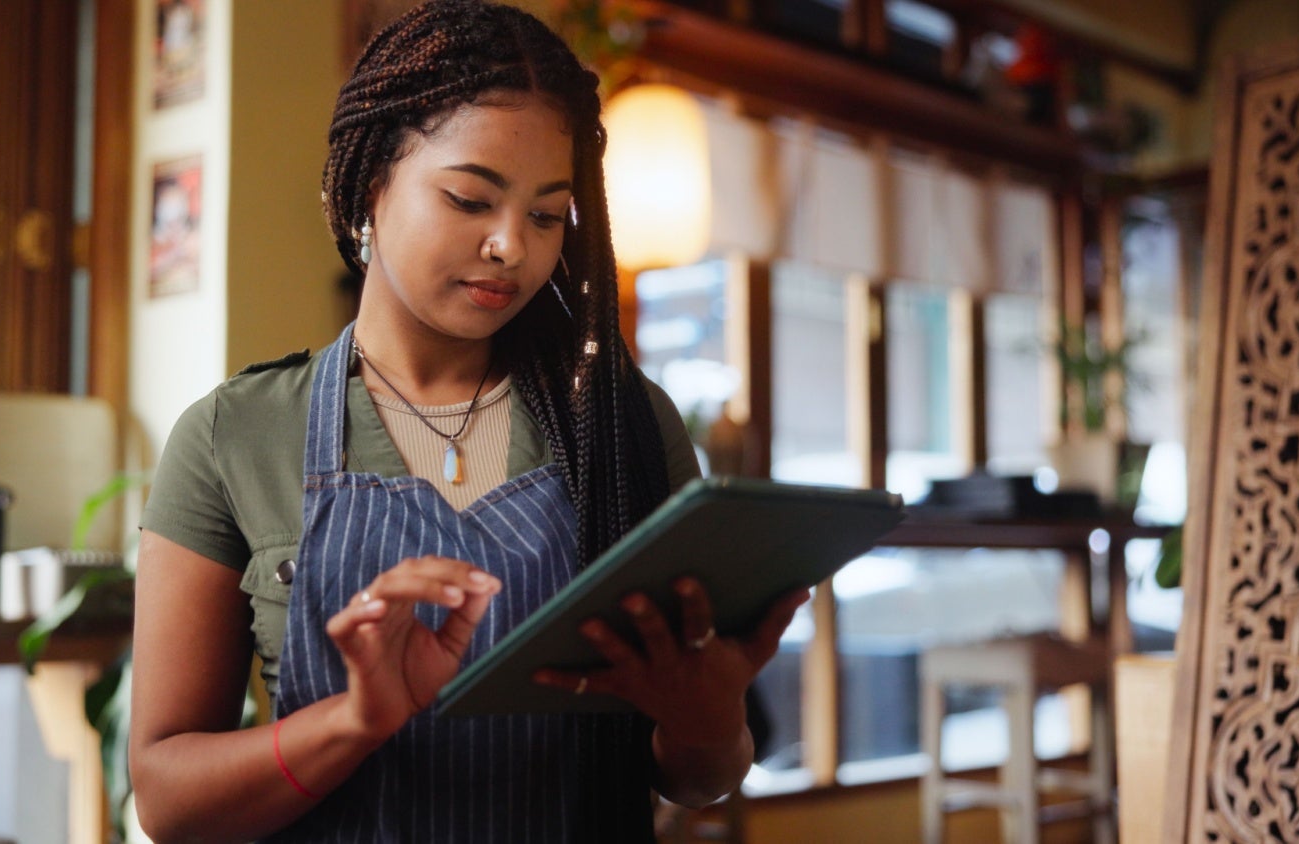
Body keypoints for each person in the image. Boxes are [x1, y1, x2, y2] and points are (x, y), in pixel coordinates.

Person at [130, 2, 809, 840]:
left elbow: (699, 779)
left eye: (546, 215)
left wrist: (707, 718)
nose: (510, 247)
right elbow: (166, 801)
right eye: (469, 198)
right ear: (369, 184)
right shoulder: (233, 436)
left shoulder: (623, 424)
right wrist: (354, 720)